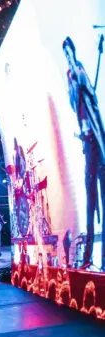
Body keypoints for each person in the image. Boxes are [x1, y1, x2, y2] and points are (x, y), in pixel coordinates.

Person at [64, 36, 105, 269]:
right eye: (66, 56)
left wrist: (79, 77)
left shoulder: (81, 74)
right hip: (88, 144)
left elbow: (91, 93)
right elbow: (73, 101)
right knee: (90, 201)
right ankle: (88, 257)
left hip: (99, 141)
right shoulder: (73, 85)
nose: (69, 60)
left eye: (70, 54)